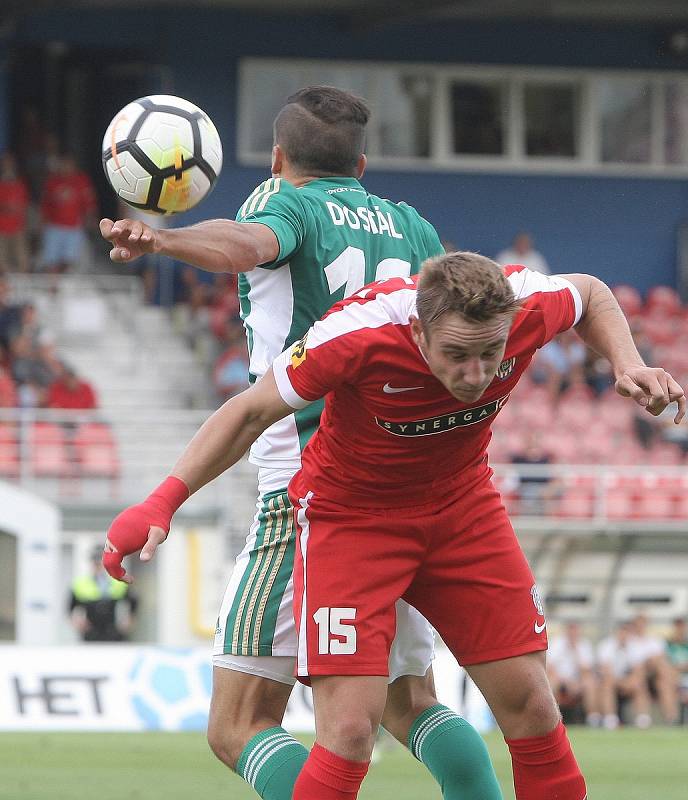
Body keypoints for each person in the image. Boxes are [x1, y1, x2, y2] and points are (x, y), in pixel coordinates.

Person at [102, 251, 685, 799]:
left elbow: (589, 292)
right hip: (352, 523)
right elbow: (250, 411)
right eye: (457, 354)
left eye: (491, 352)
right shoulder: (356, 332)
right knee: (353, 730)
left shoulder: (529, 302)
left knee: (533, 705)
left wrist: (628, 363)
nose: (477, 372)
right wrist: (162, 502)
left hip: (463, 511)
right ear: (418, 332)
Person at [100, 87, 502, 800]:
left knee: (237, 723)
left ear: (279, 159)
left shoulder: (286, 205)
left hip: (309, 487)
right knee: (413, 702)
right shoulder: (412, 227)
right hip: (402, 485)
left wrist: (163, 238)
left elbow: (249, 244)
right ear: (363, 163)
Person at [39, 152, 97, 273]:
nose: (66, 167)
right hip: (54, 226)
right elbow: (45, 204)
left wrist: (90, 219)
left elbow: (89, 203)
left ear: (73, 165)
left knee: (70, 260)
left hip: (74, 227)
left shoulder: (81, 180)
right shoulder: (53, 181)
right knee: (51, 260)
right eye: (64, 164)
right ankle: (52, 286)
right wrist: (43, 223)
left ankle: (62, 283)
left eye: (69, 164)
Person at [69, 545, 138, 641]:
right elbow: (70, 606)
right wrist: (77, 622)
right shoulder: (81, 584)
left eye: (100, 563)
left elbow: (133, 601)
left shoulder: (117, 582)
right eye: (95, 563)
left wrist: (129, 620)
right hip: (91, 633)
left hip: (113, 632)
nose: (98, 567)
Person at [596, 620, 651, 729]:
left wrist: (630, 682)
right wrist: (621, 683)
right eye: (622, 631)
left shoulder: (635, 646)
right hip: (611, 681)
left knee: (639, 684)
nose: (624, 635)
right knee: (607, 684)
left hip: (627, 682)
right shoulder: (606, 646)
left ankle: (642, 719)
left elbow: (639, 670)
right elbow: (606, 671)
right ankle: (610, 719)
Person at [546, 621, 600, 726]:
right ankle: (551, 719)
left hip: (578, 681)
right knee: (551, 684)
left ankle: (593, 718)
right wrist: (565, 681)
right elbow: (550, 668)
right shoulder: (557, 643)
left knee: (590, 683)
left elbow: (586, 670)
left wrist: (576, 651)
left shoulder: (584, 645)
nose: (573, 633)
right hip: (559, 679)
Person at [0, 152, 31, 273]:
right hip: (2, 227)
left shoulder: (20, 185)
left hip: (17, 227)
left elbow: (24, 205)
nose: (8, 167)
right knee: (2, 260)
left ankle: (23, 285)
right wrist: (6, 207)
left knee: (22, 259)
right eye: (5, 164)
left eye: (10, 164)